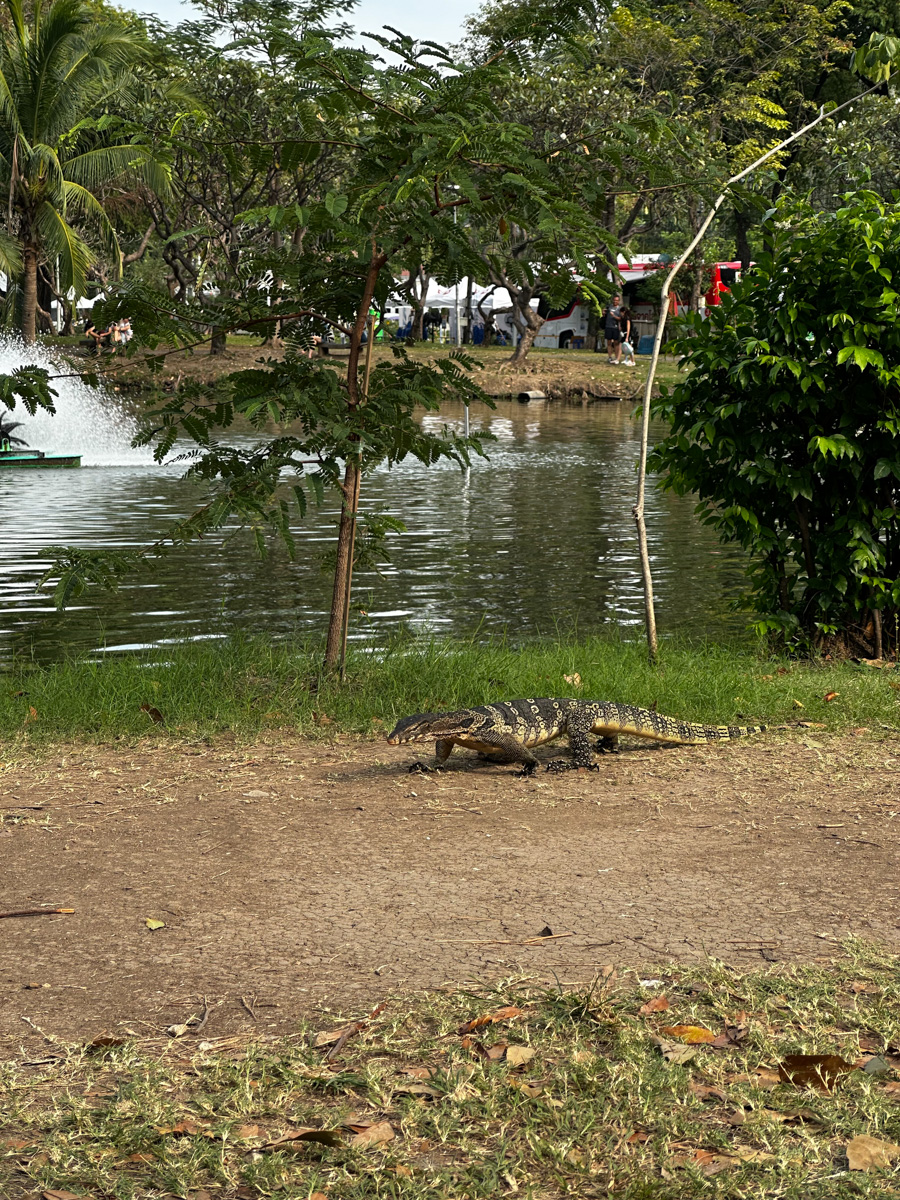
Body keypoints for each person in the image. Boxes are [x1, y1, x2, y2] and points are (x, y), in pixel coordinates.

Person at [603, 293, 624, 364]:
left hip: (615, 327)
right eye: (614, 300)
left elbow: (621, 318)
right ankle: (609, 357)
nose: (615, 302)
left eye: (617, 300)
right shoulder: (609, 307)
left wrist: (614, 316)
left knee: (616, 342)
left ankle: (616, 357)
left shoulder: (620, 309)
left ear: (619, 301)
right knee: (609, 342)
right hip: (608, 326)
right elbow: (604, 315)